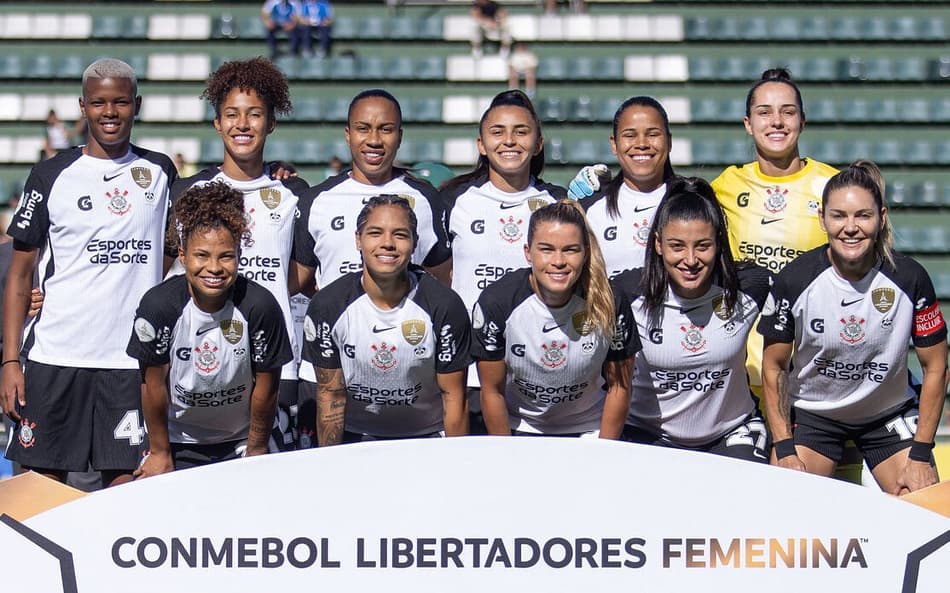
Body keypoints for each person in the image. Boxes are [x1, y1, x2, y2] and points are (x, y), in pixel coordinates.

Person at [1, 58, 177, 487]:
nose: (110, 112)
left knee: (126, 489)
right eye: (99, 103)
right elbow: (20, 274)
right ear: (83, 106)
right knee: (40, 493)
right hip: (55, 356)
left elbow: (172, 248)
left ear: (137, 104)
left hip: (128, 362)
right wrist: (9, 361)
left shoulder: (160, 171)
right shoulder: (51, 174)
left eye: (120, 102)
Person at [759, 160, 947, 494]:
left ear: (882, 218)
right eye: (839, 216)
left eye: (863, 215)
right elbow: (773, 367)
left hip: (886, 415)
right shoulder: (795, 281)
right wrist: (785, 448)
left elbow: (936, 367)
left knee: (921, 500)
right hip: (817, 417)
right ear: (822, 219)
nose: (851, 227)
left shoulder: (910, 278)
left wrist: (921, 452)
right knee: (787, 499)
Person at [709, 68, 861, 480]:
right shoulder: (724, 186)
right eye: (764, 112)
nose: (776, 121)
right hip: (745, 378)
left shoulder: (833, 186)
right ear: (748, 123)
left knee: (834, 507)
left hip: (819, 375)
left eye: (787, 112)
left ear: (802, 121)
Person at [295, 89, 451, 440]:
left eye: (386, 129)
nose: (374, 140)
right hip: (331, 371)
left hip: (404, 374)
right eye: (363, 128)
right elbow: (303, 278)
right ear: (348, 134)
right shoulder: (317, 199)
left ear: (400, 135)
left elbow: (441, 281)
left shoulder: (424, 198)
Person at [171, 57, 310, 452]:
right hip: (201, 354)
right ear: (217, 123)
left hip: (275, 358)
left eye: (254, 115)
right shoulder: (187, 192)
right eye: (232, 114)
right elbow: (166, 270)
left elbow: (301, 274)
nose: (242, 125)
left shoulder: (295, 193)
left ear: (271, 123)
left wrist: (264, 300)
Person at [128, 182, 292, 475]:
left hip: (241, 438)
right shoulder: (159, 306)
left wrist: (255, 449)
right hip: (178, 437)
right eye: (201, 255)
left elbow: (267, 388)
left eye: (226, 256)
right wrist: (161, 452)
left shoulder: (260, 306)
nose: (214, 268)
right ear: (182, 255)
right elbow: (152, 385)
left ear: (240, 254)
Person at [613, 177, 771, 461]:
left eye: (702, 246)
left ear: (718, 243)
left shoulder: (750, 285)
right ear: (659, 244)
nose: (690, 259)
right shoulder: (625, 294)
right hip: (648, 434)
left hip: (732, 432)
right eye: (677, 246)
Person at [439, 89, 566, 431]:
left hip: (540, 370)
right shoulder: (452, 200)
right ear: (481, 144)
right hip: (470, 373)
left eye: (521, 131)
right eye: (498, 132)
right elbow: (433, 277)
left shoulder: (559, 203)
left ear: (538, 143)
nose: (509, 141)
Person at [303, 195, 470, 444]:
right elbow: (331, 395)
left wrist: (455, 463)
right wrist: (330, 464)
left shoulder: (445, 306)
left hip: (426, 437)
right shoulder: (328, 305)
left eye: (400, 235)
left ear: (415, 244)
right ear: (358, 240)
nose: (387, 243)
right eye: (375, 233)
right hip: (356, 437)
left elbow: (453, 396)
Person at [473, 200, 637, 436]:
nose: (559, 261)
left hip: (590, 429)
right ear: (528, 253)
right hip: (521, 428)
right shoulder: (497, 302)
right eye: (546, 249)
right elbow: (492, 391)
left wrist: (605, 450)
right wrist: (505, 455)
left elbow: (619, 387)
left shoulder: (611, 300)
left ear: (585, 252)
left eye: (570, 250)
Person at [570, 96, 677, 279]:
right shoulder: (590, 207)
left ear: (669, 141)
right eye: (629, 135)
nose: (642, 144)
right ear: (614, 144)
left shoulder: (692, 200)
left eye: (652, 134)